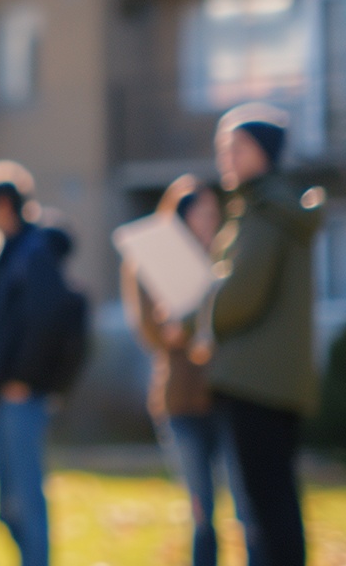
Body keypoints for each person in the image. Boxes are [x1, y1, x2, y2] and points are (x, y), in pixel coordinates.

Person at [184, 104, 323, 566]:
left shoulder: (263, 212)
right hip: (275, 379)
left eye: (237, 147)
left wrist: (201, 310)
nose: (226, 157)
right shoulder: (275, 209)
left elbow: (241, 296)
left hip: (253, 380)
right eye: (222, 147)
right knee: (277, 501)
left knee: (265, 509)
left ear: (264, 153)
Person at [0, 162, 80, 566]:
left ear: (1, 205)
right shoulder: (5, 251)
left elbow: (46, 321)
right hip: (0, 393)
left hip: (20, 393)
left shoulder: (35, 253)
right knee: (7, 506)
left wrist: (24, 379)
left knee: (26, 499)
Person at [123, 175, 229, 566]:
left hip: (227, 395)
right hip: (181, 399)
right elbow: (155, 331)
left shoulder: (227, 257)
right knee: (201, 508)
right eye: (200, 214)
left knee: (241, 503)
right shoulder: (156, 263)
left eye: (213, 214)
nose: (208, 222)